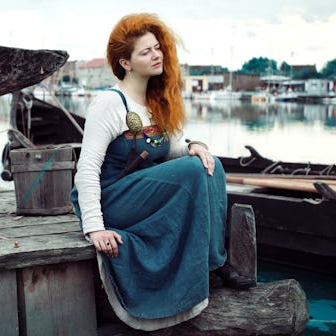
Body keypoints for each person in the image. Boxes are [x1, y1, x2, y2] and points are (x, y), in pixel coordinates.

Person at [70, 13, 254, 331]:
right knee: (192, 173)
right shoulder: (109, 103)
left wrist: (194, 146)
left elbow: (167, 149)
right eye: (145, 52)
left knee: (210, 166)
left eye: (157, 48)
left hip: (140, 193)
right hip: (111, 197)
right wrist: (95, 229)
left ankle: (214, 263)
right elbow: (86, 168)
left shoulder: (155, 101)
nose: (157, 55)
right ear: (125, 62)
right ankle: (197, 274)